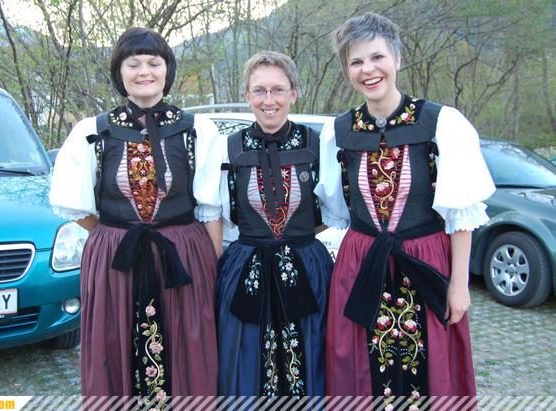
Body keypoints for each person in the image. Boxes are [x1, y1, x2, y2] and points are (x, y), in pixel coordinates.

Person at [315, 13, 495, 401]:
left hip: (426, 262)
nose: (368, 70)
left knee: (430, 372)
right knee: (360, 371)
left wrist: (459, 285)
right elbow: (337, 209)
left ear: (397, 58)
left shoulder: (441, 123)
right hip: (361, 265)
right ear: (347, 70)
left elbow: (460, 213)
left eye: (377, 57)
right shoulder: (338, 132)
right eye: (356, 61)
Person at [49, 27, 221, 402]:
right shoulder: (92, 132)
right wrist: (113, 235)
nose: (145, 71)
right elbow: (74, 204)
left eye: (154, 62)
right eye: (134, 63)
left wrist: (213, 268)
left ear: (167, 70)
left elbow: (211, 210)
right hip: (117, 261)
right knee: (116, 346)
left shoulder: (196, 130)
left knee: (187, 346)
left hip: (183, 260)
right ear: (119, 72)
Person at [216, 51, 333, 396]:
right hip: (246, 269)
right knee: (246, 357)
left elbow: (332, 210)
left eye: (278, 90)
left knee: (309, 353)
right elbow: (219, 213)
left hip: (307, 268)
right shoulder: (229, 147)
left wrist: (296, 239)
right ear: (247, 96)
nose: (269, 100)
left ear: (294, 93)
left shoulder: (317, 144)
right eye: (260, 90)